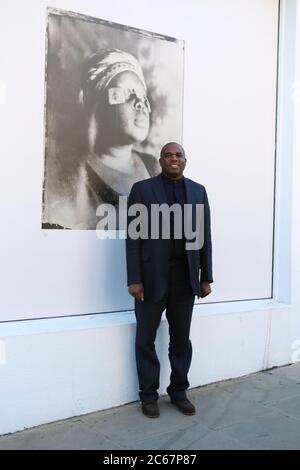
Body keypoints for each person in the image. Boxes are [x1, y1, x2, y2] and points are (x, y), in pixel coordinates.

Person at [126, 142, 213, 418]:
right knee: (145, 338)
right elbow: (133, 238)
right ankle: (149, 395)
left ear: (185, 161)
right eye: (168, 155)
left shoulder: (198, 191)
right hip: (151, 280)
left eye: (178, 155)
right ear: (160, 160)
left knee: (181, 340)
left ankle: (178, 392)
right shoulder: (142, 190)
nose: (173, 159)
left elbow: (204, 236)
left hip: (185, 278)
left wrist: (206, 277)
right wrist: (134, 279)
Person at [44, 48, 159, 229]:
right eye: (127, 93)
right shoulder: (71, 180)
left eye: (142, 96)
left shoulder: (154, 166)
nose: (140, 103)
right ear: (99, 106)